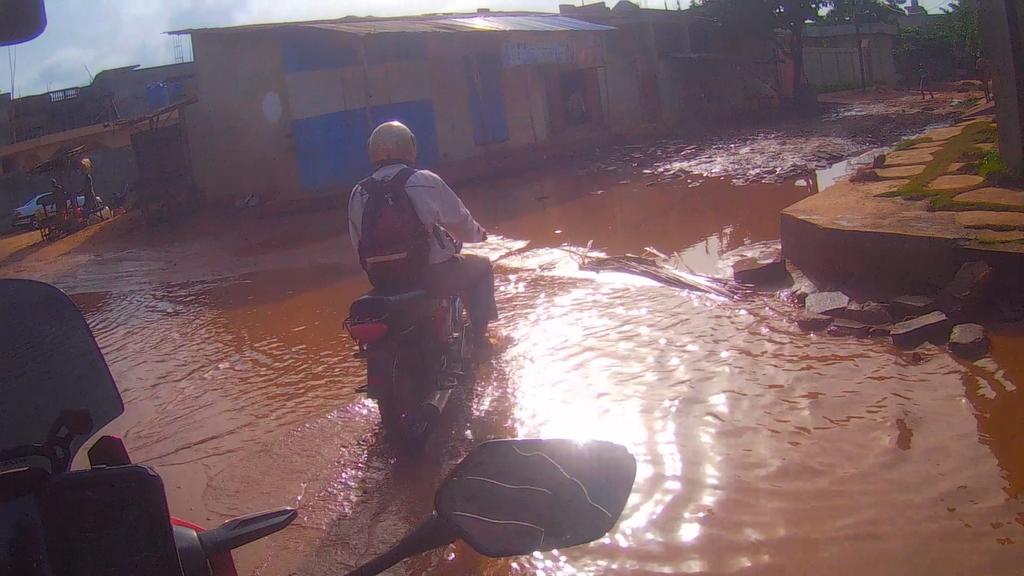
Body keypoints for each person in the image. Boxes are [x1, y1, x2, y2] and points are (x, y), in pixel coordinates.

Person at [348, 121, 497, 351]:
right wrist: (479, 235)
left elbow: (357, 243)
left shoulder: (358, 192)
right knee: (482, 267)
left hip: (382, 280)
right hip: (432, 276)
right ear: (410, 147)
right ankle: (480, 343)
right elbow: (461, 223)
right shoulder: (424, 181)